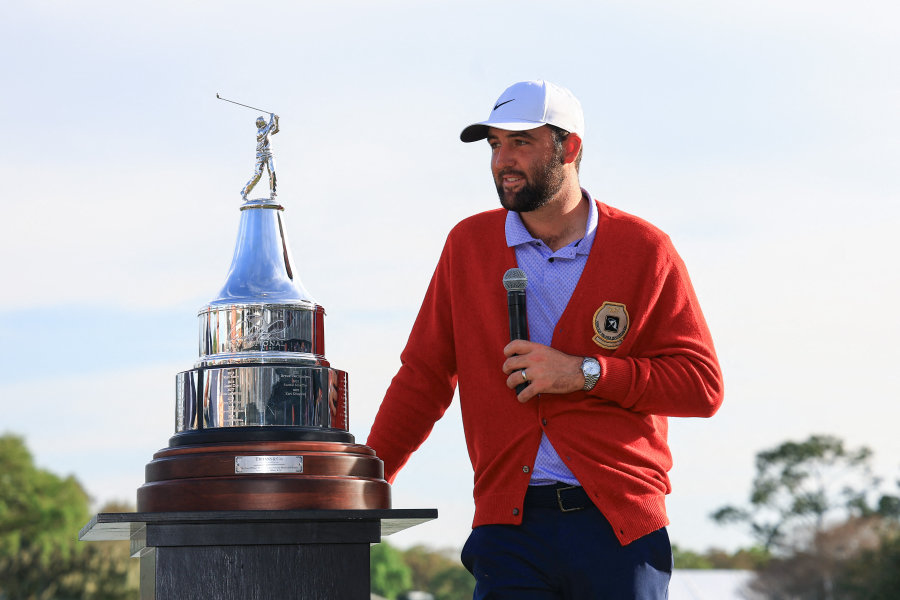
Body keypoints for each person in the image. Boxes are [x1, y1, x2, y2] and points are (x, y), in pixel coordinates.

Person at [366, 80, 724, 599]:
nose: (502, 160)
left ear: (570, 147)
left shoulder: (645, 249)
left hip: (618, 524)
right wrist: (369, 477)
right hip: (509, 529)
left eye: (521, 143)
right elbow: (423, 376)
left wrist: (584, 372)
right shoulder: (467, 245)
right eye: (494, 145)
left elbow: (701, 385)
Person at [241, 112, 280, 200]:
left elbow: (276, 129)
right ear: (259, 124)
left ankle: (273, 192)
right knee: (257, 175)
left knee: (272, 171)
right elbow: (270, 126)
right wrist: (272, 117)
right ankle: (245, 192)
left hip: (270, 153)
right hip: (261, 155)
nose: (264, 121)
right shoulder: (260, 132)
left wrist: (277, 120)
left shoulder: (267, 130)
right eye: (262, 121)